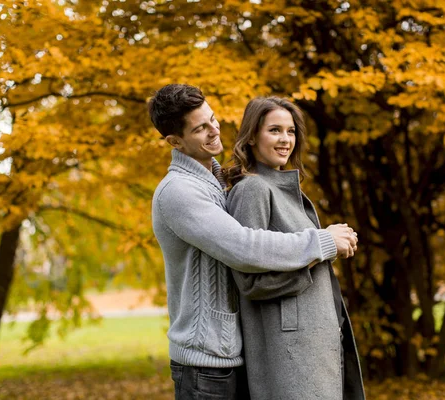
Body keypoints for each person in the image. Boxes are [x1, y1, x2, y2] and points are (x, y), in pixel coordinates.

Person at [148, 84, 359, 400]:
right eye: (200, 128)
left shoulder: (219, 183)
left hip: (235, 354)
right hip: (205, 363)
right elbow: (245, 248)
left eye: (213, 120)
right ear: (175, 141)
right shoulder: (179, 192)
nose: (213, 131)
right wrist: (323, 242)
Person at [225, 96, 366, 400]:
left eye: (291, 131)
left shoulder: (286, 190)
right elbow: (252, 282)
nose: (285, 139)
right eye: (274, 130)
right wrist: (324, 248)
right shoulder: (252, 190)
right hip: (289, 357)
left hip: (313, 349)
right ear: (251, 137)